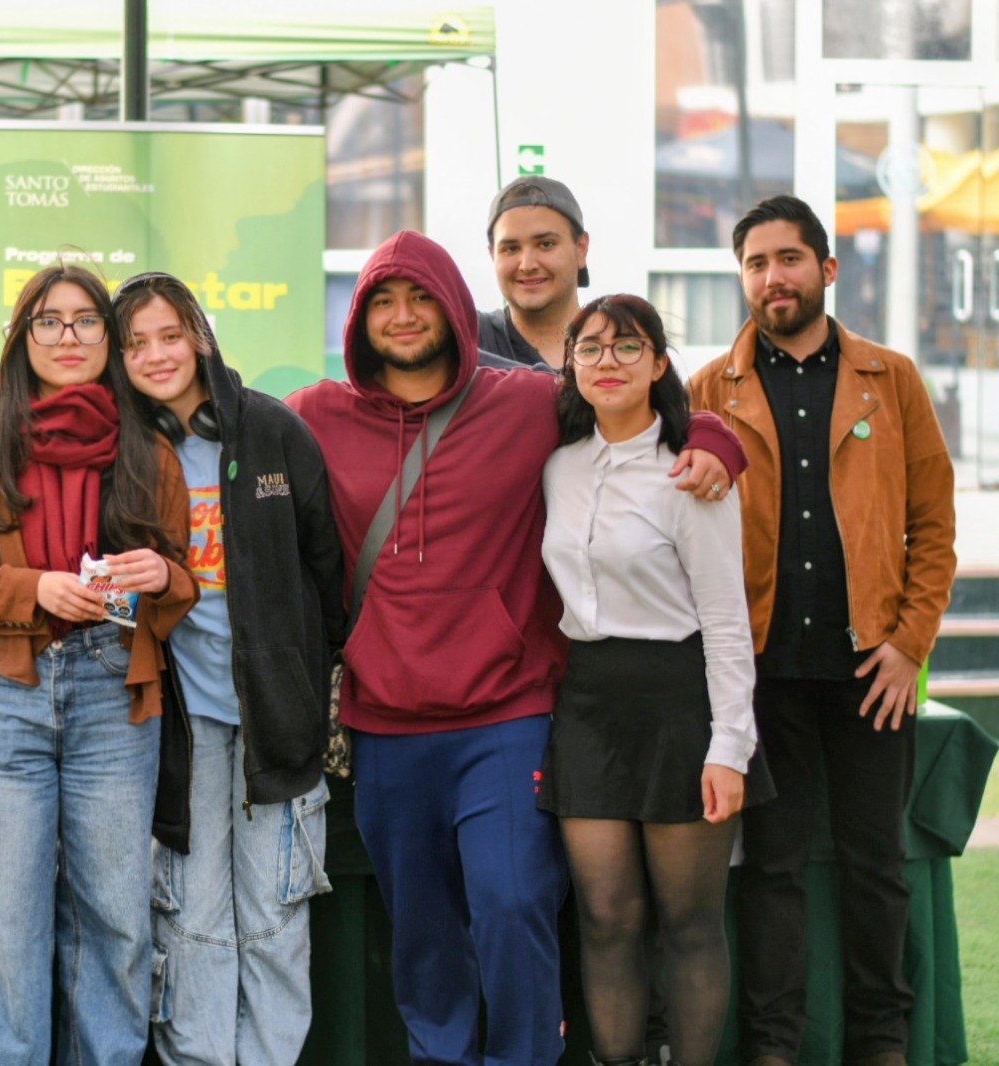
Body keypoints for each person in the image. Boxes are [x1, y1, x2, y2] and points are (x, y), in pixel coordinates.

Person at [285, 229, 744, 1066]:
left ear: (456, 309)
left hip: (506, 713)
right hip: (385, 721)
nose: (403, 315)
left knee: (512, 905)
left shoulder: (526, 400)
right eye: (383, 300)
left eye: (421, 296)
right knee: (421, 929)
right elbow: (227, 435)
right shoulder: (317, 416)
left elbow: (635, 406)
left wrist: (717, 437)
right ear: (357, 320)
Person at [688, 195, 957, 1066]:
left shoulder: (894, 378)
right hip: (760, 672)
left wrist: (910, 640)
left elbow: (934, 523)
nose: (775, 277)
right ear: (743, 279)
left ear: (827, 270)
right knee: (771, 871)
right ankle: (774, 1048)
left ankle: (880, 1042)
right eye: (758, 263)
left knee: (877, 868)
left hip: (870, 672)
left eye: (790, 259)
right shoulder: (704, 392)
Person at [0, 264, 198, 1066]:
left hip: (117, 691)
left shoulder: (150, 449)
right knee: (9, 919)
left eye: (86, 321)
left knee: (114, 914)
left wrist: (160, 577)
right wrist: (34, 586)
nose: (70, 337)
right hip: (8, 692)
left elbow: (181, 573)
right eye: (50, 321)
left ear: (107, 341)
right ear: (23, 338)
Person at [110, 272, 343, 1065]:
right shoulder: (124, 453)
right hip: (179, 724)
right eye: (135, 341)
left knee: (277, 914)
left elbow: (326, 571)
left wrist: (303, 681)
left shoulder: (272, 433)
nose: (156, 354)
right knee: (192, 921)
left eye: (170, 334)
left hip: (274, 722)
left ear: (201, 337)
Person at [541, 293, 773, 1066]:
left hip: (681, 708)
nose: (608, 361)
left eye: (628, 347)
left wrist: (729, 747)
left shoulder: (692, 473)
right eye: (591, 348)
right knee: (607, 918)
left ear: (660, 364)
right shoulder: (556, 467)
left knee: (690, 922)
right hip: (588, 706)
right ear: (570, 367)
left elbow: (727, 622)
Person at [478, 175, 591, 370]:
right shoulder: (468, 344)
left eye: (546, 244)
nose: (527, 265)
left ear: (581, 248)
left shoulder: (619, 348)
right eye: (511, 249)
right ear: (492, 255)